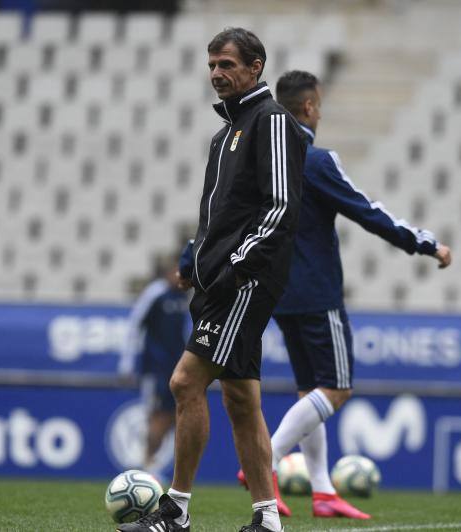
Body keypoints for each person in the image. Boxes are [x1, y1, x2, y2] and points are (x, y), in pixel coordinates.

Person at [238, 70, 452, 518]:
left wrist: (187, 261)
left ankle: (322, 491)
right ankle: (265, 461)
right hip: (318, 293)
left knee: (308, 394)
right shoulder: (315, 161)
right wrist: (425, 243)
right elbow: (368, 212)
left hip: (277, 293)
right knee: (336, 388)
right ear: (311, 108)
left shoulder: (259, 161)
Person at [118, 28, 307, 532]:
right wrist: (193, 259)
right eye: (212, 66)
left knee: (184, 382)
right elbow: (215, 217)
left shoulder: (271, 122)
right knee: (242, 399)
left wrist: (234, 266)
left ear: (256, 67)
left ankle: (175, 512)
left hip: (244, 281)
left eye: (226, 64)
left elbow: (281, 206)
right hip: (219, 280)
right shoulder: (226, 134)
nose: (217, 74)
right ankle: (267, 518)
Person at [119, 255, 189, 476]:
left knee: (176, 417)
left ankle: (172, 469)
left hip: (178, 366)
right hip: (156, 367)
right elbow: (134, 324)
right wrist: (127, 362)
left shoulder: (184, 296)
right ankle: (147, 464)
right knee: (157, 414)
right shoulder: (155, 293)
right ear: (169, 272)